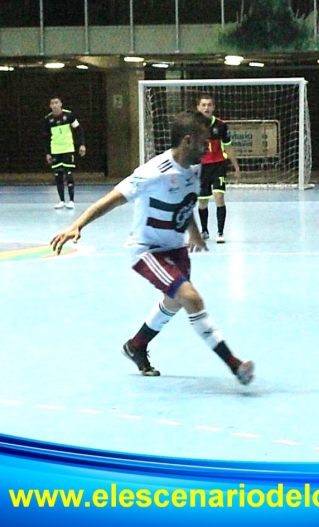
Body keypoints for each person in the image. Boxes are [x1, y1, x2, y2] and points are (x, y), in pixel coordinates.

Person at [50, 111, 254, 385]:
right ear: (187, 141)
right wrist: (78, 225)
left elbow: (186, 201)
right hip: (148, 250)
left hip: (175, 248)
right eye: (204, 142)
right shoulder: (152, 173)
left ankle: (136, 345)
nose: (208, 148)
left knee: (176, 300)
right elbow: (111, 200)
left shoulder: (195, 167)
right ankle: (235, 365)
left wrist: (193, 232)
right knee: (191, 298)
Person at [196, 95, 240, 244]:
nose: (206, 108)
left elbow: (228, 146)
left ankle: (220, 232)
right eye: (203, 105)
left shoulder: (221, 125)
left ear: (213, 108)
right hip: (201, 168)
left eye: (209, 105)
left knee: (219, 197)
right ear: (198, 107)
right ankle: (204, 230)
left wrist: (235, 165)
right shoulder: (192, 126)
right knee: (202, 202)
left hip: (218, 165)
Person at [44, 97, 86, 209]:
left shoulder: (69, 115)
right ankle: (61, 200)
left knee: (68, 174)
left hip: (67, 149)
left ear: (61, 104)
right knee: (58, 175)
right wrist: (48, 153)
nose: (55, 105)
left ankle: (71, 200)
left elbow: (79, 129)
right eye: (52, 103)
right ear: (50, 106)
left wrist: (82, 144)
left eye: (57, 103)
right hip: (55, 150)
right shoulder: (48, 119)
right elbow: (46, 137)